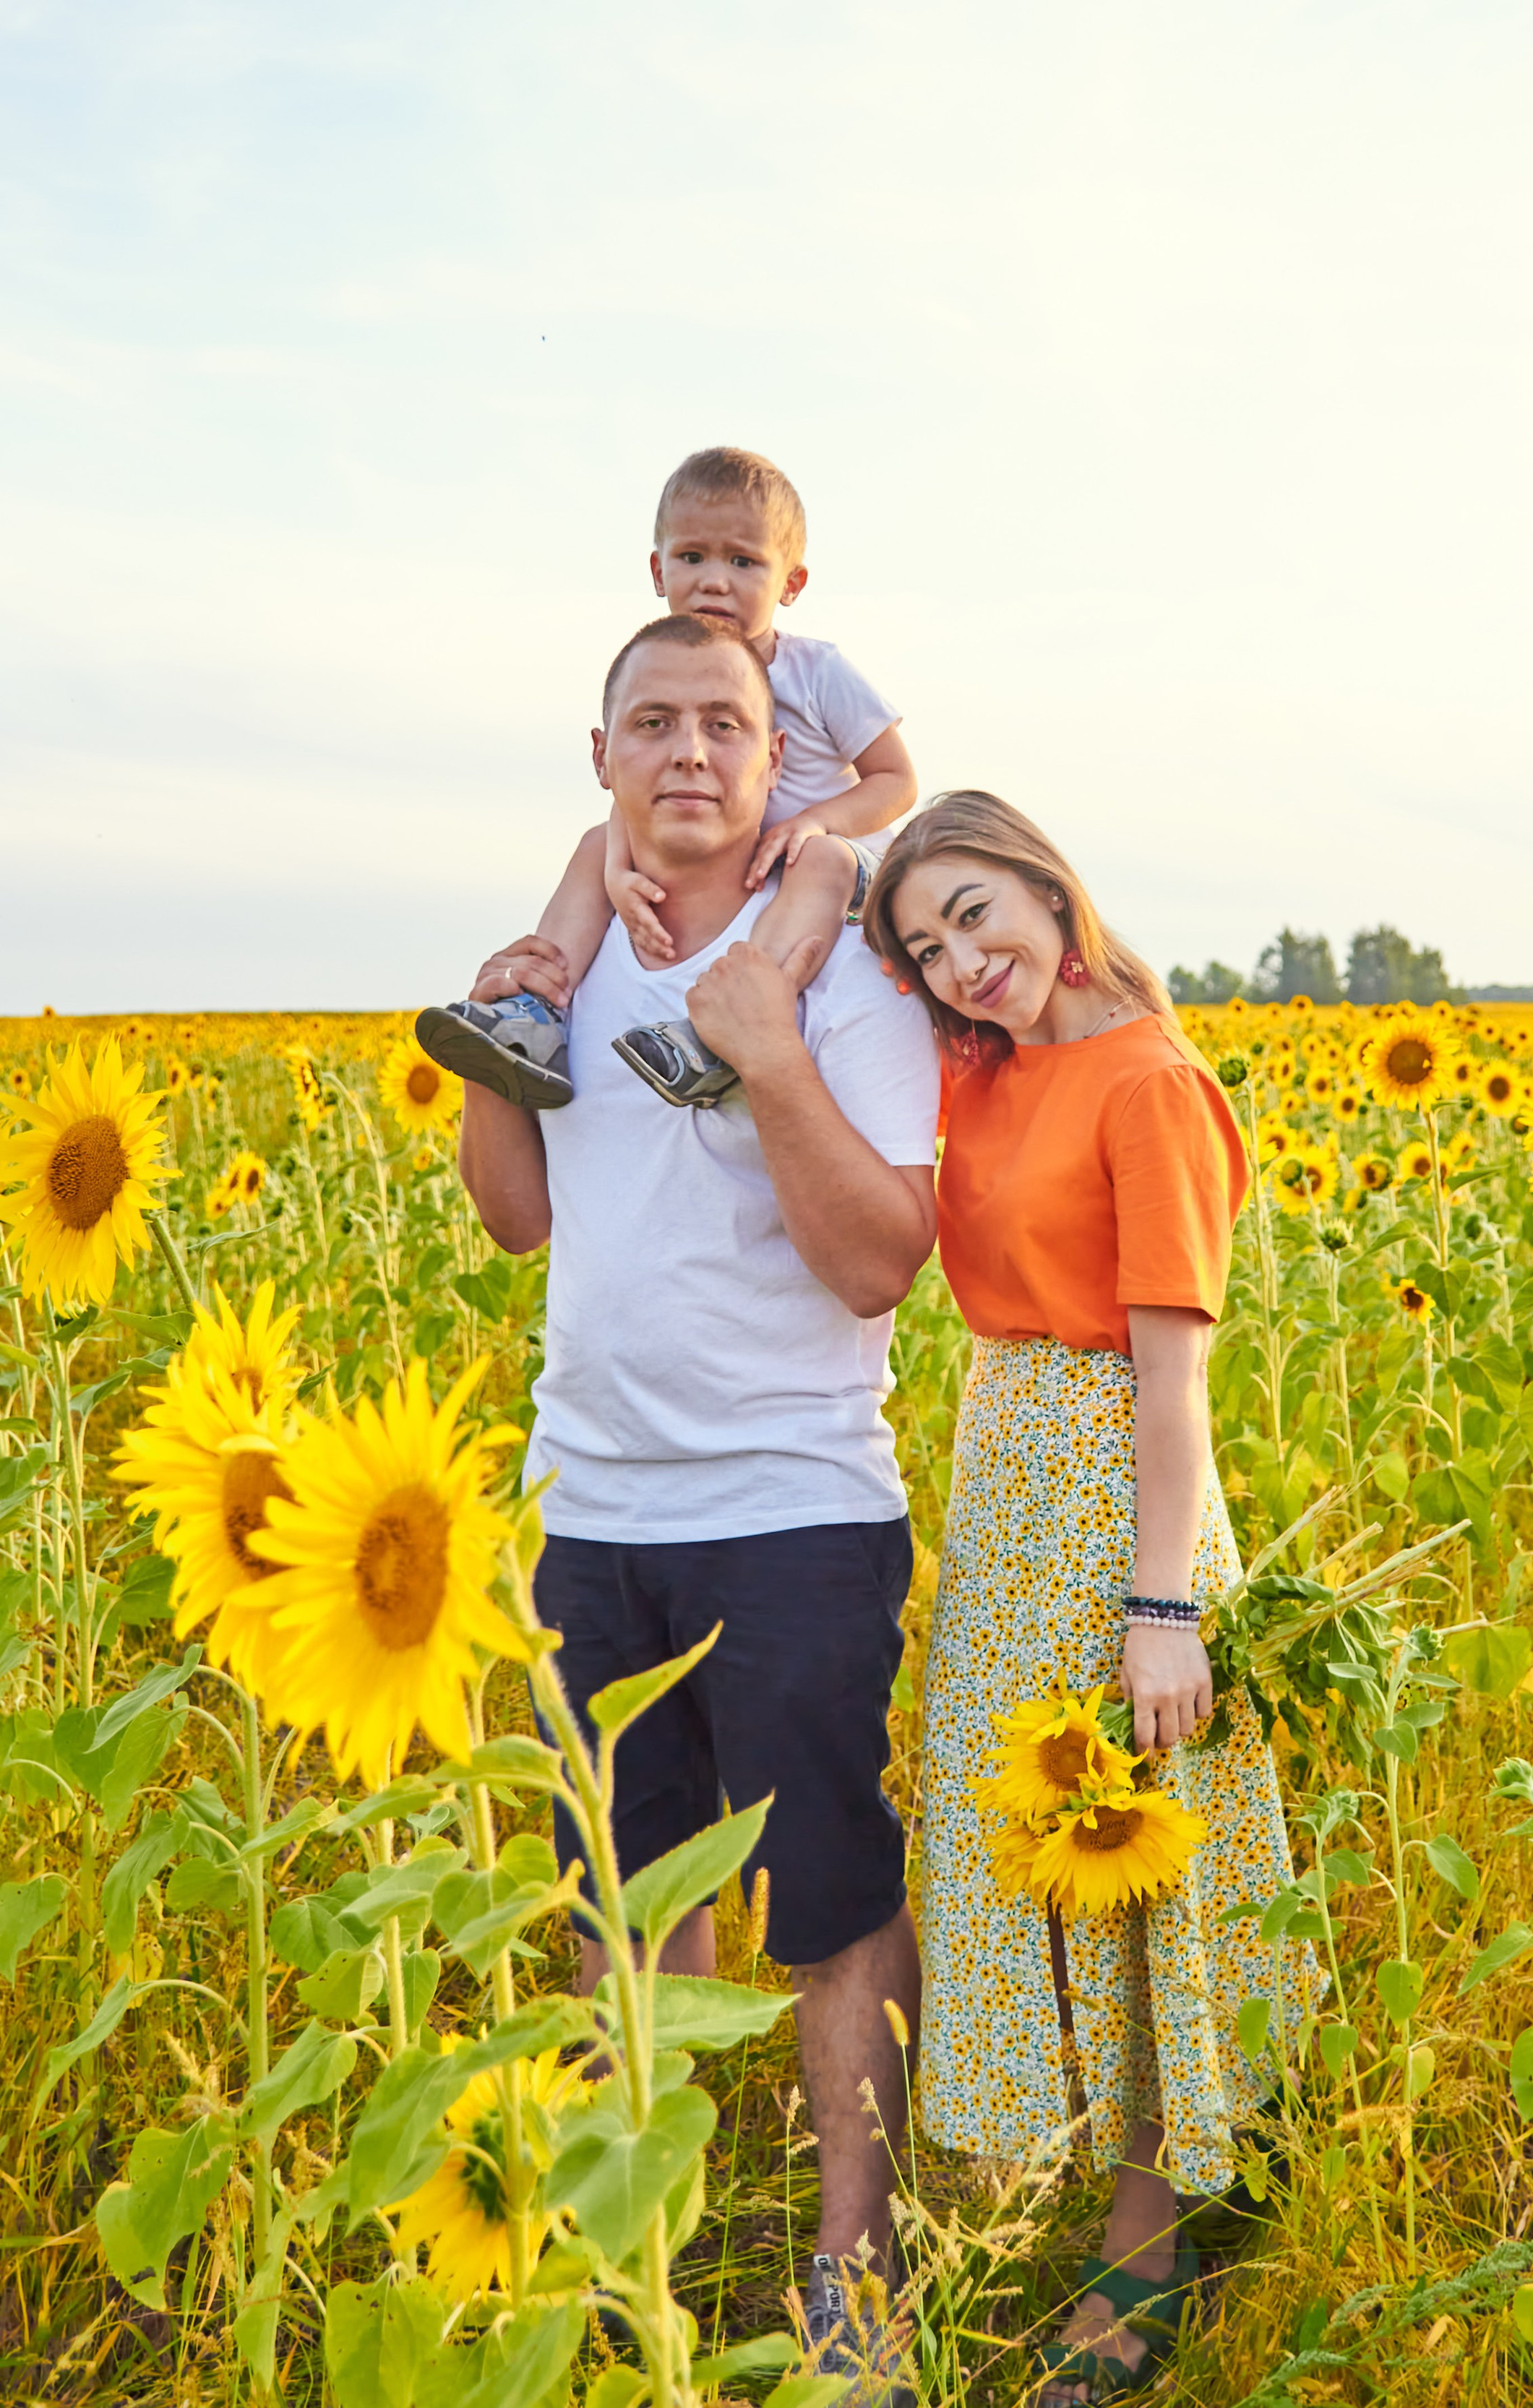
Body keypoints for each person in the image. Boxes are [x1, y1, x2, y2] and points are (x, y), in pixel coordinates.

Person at [457, 610, 940, 2398]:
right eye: (646, 722)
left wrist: (768, 1049)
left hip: (791, 1501)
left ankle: (850, 2263)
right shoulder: (560, 961)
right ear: (599, 761)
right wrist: (496, 1045)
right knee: (622, 1889)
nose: (682, 751)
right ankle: (641, 2228)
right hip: (586, 1503)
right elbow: (518, 1215)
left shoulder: (844, 972)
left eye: (718, 725)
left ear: (772, 759)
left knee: (816, 1888)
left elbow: (883, 1258)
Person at [863, 792, 1321, 2408]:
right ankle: (1040, 2194)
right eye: (926, 945)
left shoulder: (1153, 1084)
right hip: (1003, 1488)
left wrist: (1163, 1609)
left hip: (1118, 1498)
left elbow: (1173, 1378)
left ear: (1050, 889)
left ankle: (1143, 2260)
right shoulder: (978, 1066)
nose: (959, 962)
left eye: (977, 915)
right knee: (1012, 1844)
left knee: (1138, 1868)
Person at [418, 444, 916, 1110]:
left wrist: (813, 823)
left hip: (835, 874)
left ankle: (718, 1035)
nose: (715, 580)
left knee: (820, 862)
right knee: (596, 845)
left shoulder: (817, 672)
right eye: (693, 558)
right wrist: (619, 873)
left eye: (743, 562)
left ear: (791, 585)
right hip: (735, 854)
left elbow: (896, 780)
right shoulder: (660, 666)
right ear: (658, 569)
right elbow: (631, 797)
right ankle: (534, 1015)